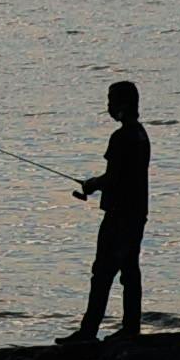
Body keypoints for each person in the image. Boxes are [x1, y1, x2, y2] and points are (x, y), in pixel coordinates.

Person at [62, 79, 149, 345]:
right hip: (136, 212)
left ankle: (89, 332)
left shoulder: (121, 137)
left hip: (119, 215)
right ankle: (130, 328)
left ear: (122, 104)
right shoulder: (140, 133)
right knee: (129, 271)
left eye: (111, 101)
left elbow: (113, 177)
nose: (108, 106)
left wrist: (91, 184)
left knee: (103, 273)